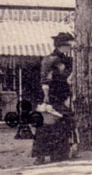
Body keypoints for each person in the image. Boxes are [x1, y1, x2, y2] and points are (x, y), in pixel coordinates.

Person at [32, 32, 76, 164]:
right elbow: (47, 80)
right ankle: (48, 154)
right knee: (52, 123)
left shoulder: (60, 59)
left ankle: (50, 154)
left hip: (58, 94)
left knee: (53, 124)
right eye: (69, 46)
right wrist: (46, 97)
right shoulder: (54, 60)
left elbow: (67, 79)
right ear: (64, 46)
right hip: (54, 95)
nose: (70, 49)